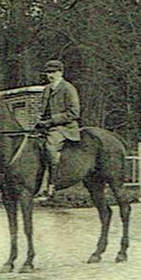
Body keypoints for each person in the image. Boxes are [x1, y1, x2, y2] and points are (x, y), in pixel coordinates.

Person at [37, 60, 82, 199]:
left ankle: (52, 185)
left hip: (65, 128)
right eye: (48, 72)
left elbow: (74, 113)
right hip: (48, 127)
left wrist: (52, 121)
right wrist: (40, 121)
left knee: (50, 147)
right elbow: (43, 110)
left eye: (53, 72)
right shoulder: (46, 89)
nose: (50, 75)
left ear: (60, 72)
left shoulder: (68, 88)